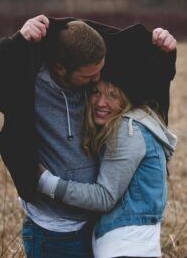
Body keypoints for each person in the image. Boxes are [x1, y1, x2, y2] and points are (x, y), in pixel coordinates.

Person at [0, 14, 177, 257]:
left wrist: (165, 47)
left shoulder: (92, 73)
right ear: (60, 69)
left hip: (96, 226)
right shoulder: (27, 83)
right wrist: (17, 41)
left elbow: (146, 67)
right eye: (89, 77)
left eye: (99, 72)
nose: (97, 80)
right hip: (53, 231)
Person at [38, 78, 176, 258]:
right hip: (135, 246)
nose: (101, 102)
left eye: (113, 96)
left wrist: (45, 182)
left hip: (124, 247)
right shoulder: (139, 125)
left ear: (126, 99)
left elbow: (105, 197)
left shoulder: (128, 131)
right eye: (96, 92)